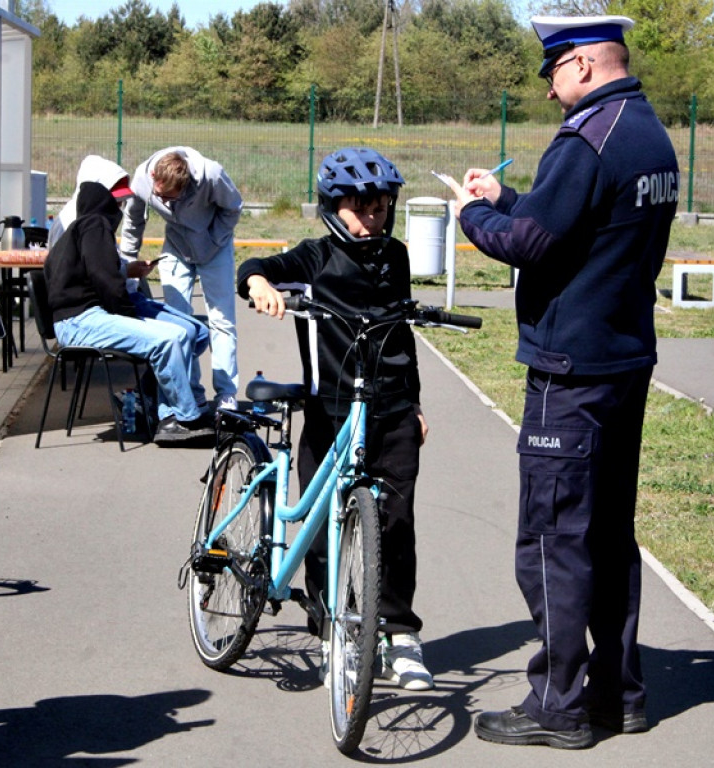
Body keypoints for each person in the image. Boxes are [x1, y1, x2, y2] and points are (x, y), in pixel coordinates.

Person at [440, 15, 680, 749]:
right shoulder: (648, 134)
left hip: (569, 372)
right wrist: (514, 198)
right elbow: (578, 227)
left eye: (551, 74)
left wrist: (474, 213)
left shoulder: (586, 137)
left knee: (553, 541)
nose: (549, 92)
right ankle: (617, 694)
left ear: (579, 66)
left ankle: (558, 704)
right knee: (607, 535)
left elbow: (529, 246)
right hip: (623, 361)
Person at [238, 148, 434, 691]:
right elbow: (259, 268)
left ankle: (398, 634)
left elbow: (402, 334)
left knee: (396, 524)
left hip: (391, 409)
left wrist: (415, 402)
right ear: (333, 207)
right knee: (324, 528)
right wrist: (259, 286)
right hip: (331, 412)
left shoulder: (395, 256)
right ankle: (332, 631)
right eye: (361, 208)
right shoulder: (316, 255)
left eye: (381, 207)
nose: (373, 217)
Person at [43, 178, 213, 443]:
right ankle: (184, 419)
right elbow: (105, 278)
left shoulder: (73, 234)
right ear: (106, 206)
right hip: (81, 321)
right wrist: (127, 313)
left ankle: (158, 407)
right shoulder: (94, 225)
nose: (121, 210)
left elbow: (97, 275)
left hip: (76, 320)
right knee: (168, 340)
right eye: (118, 205)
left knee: (185, 335)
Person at [120, 147, 241, 411]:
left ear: (186, 187)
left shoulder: (211, 174)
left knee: (222, 320)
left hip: (215, 248)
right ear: (154, 176)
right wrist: (127, 265)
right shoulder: (142, 179)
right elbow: (133, 222)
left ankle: (226, 394)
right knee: (177, 323)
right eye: (161, 197)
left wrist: (212, 241)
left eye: (173, 199)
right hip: (176, 246)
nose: (166, 203)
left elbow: (233, 208)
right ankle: (191, 392)